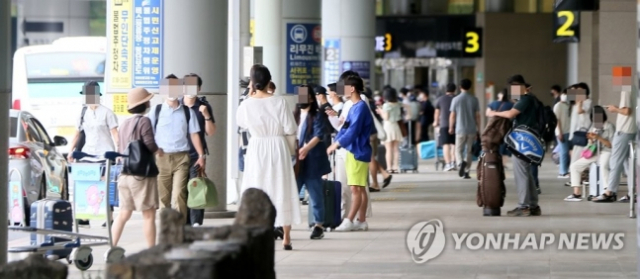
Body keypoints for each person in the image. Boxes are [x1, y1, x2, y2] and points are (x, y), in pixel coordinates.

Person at [236, 64, 301, 250]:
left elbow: (240, 123)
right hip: (277, 146)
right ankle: (286, 237)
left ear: (252, 82)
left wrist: (249, 93)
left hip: (257, 146)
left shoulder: (246, 103)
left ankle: (257, 234)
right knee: (281, 188)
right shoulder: (279, 101)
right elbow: (290, 128)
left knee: (257, 187)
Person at [148, 74, 206, 224]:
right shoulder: (156, 111)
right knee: (164, 198)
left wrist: (201, 155)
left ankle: (180, 231)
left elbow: (194, 135)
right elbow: (148, 134)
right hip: (161, 158)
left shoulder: (188, 112)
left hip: (182, 158)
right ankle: (167, 230)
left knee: (179, 194)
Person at [487, 75, 541, 217]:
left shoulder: (526, 99)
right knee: (527, 173)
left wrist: (493, 113)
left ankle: (523, 206)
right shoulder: (530, 99)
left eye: (515, 87)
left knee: (521, 173)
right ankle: (533, 205)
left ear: (521, 86)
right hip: (530, 139)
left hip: (523, 141)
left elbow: (511, 114)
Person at [111, 87, 159, 248]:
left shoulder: (124, 123)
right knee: (149, 214)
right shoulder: (144, 121)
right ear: (145, 103)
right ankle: (152, 251)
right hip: (141, 176)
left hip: (124, 174)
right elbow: (150, 144)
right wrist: (159, 150)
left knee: (123, 215)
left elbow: (120, 146)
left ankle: (111, 248)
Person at [67, 80, 119, 227]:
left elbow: (115, 133)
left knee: (106, 186)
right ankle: (84, 217)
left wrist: (119, 152)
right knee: (86, 184)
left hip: (105, 155)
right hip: (87, 154)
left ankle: (109, 217)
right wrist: (71, 151)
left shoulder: (107, 113)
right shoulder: (83, 113)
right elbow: (77, 134)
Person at [327, 75, 374, 232]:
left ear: (352, 88)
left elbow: (352, 131)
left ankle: (349, 220)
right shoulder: (354, 106)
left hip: (358, 151)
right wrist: (337, 143)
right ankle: (361, 221)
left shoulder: (360, 107)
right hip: (353, 150)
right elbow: (345, 127)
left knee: (356, 188)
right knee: (359, 187)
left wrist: (336, 144)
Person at [294, 87, 332, 239]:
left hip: (312, 162)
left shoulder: (317, 115)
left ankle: (319, 225)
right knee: (291, 193)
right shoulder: (295, 115)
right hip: (296, 162)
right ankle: (283, 225)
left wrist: (306, 148)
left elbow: (319, 134)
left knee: (315, 195)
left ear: (311, 98)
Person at [181, 73, 215, 227]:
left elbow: (211, 132)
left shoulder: (203, 106)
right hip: (178, 155)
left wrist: (206, 115)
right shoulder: (176, 105)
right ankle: (184, 223)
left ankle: (196, 223)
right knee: (180, 191)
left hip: (196, 156)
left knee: (196, 188)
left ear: (199, 88)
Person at [593, 89, 637, 202]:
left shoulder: (626, 90)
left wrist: (615, 109)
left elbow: (627, 111)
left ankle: (610, 192)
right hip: (631, 131)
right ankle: (633, 192)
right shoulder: (634, 90)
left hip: (624, 131)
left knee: (615, 161)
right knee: (628, 164)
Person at [564, 106, 613, 201]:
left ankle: (608, 192)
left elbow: (610, 145)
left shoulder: (609, 126)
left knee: (603, 166)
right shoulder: (593, 126)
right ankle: (576, 193)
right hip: (595, 152)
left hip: (606, 151)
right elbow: (590, 144)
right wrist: (590, 139)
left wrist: (599, 138)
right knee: (574, 166)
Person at [449, 79, 480, 179]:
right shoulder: (474, 99)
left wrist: (450, 127)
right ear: (470, 87)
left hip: (460, 129)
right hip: (471, 129)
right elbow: (477, 116)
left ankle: (460, 163)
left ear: (460, 87)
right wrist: (479, 128)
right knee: (469, 151)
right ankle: (466, 172)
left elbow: (452, 115)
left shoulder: (455, 99)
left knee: (458, 150)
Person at [377, 87, 403, 173]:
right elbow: (407, 107)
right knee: (396, 149)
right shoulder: (398, 104)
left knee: (388, 149)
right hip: (396, 126)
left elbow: (386, 117)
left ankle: (389, 167)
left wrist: (380, 111)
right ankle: (396, 167)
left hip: (388, 127)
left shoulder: (386, 105)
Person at [486, 88, 514, 167]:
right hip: (506, 126)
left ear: (499, 95)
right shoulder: (510, 104)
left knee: (494, 142)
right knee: (504, 143)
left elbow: (488, 113)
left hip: (494, 125)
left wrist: (495, 113)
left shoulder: (493, 103)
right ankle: (503, 163)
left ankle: (494, 160)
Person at [434, 83, 457, 171]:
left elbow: (437, 113)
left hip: (444, 125)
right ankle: (453, 163)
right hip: (456, 124)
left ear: (446, 90)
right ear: (455, 90)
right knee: (454, 145)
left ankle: (448, 164)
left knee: (446, 145)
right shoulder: (457, 99)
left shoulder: (440, 99)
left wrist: (436, 122)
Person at [554, 90, 571, 179]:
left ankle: (565, 170)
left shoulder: (568, 105)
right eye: (564, 94)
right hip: (562, 132)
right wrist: (559, 132)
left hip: (568, 131)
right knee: (564, 152)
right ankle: (562, 172)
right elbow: (557, 120)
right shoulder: (558, 106)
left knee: (566, 152)